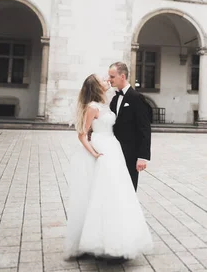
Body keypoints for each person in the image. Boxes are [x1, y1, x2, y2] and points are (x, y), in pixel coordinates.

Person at [63, 74, 153, 260]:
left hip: (114, 148)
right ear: (96, 86)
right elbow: (82, 134)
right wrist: (94, 153)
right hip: (103, 148)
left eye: (108, 77)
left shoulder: (106, 104)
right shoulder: (92, 107)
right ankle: (101, 240)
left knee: (117, 192)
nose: (107, 80)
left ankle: (117, 237)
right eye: (103, 80)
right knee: (104, 193)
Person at [108, 62, 152, 191]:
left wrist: (142, 157)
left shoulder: (137, 98)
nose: (109, 80)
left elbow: (144, 128)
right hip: (115, 151)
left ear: (122, 76)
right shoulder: (115, 99)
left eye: (112, 76)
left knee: (129, 188)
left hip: (131, 154)